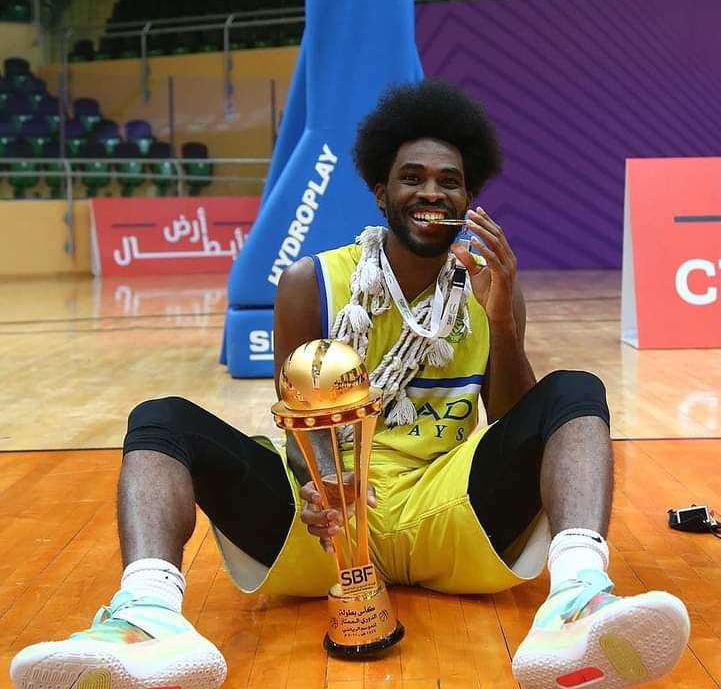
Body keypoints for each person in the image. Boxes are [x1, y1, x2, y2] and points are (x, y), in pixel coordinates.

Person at [10, 79, 689, 689]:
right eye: (412, 177)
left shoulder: (487, 289)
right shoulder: (313, 283)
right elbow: (295, 418)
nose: (431, 193)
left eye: (449, 181)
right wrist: (317, 487)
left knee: (575, 389)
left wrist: (505, 323)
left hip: (448, 516)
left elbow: (515, 423)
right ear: (380, 191)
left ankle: (576, 600)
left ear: (469, 197)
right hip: (326, 528)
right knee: (161, 418)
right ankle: (146, 616)